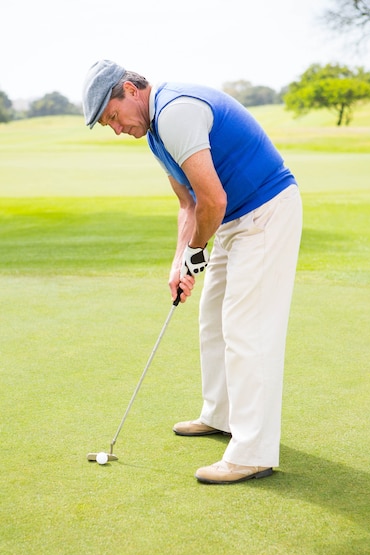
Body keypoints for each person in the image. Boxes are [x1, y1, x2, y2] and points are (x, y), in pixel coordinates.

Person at [82, 59, 302, 484]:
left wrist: (197, 251)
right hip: (235, 218)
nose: (117, 129)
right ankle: (220, 415)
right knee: (212, 318)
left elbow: (212, 199)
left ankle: (253, 452)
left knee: (246, 328)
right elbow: (188, 204)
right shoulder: (156, 136)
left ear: (129, 89)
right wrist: (179, 262)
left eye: (112, 117)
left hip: (266, 210)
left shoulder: (175, 111)